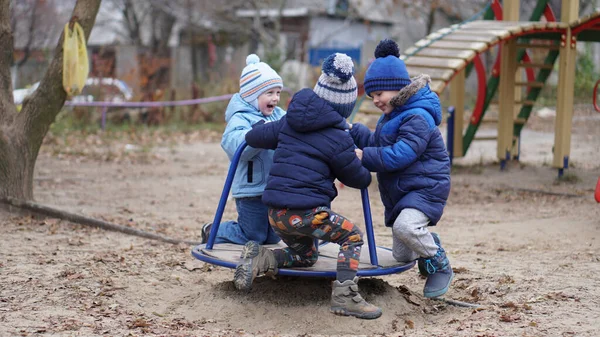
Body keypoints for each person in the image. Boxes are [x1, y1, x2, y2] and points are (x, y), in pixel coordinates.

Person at [237, 53, 382, 320]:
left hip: (276, 215)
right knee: (352, 236)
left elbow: (254, 136)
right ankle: (345, 296)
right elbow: (358, 179)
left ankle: (261, 260)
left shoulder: (289, 121)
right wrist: (362, 161)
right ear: (345, 108)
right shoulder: (339, 139)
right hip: (307, 214)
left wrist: (259, 125)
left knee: (306, 255)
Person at [349, 39, 453, 299]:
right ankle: (429, 241)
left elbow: (400, 155)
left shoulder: (417, 116)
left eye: (378, 95)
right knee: (401, 254)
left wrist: (365, 156)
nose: (375, 100)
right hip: (404, 192)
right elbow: (379, 143)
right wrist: (358, 134)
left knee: (405, 229)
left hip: (425, 188)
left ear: (397, 88)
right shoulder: (392, 117)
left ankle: (439, 263)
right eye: (371, 96)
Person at [200, 54, 285, 246]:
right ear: (252, 95)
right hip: (250, 188)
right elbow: (233, 145)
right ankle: (213, 229)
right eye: (270, 93)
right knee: (253, 235)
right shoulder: (240, 119)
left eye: (278, 93)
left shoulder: (278, 116)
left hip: (274, 187)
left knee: (273, 236)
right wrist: (259, 134)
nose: (276, 98)